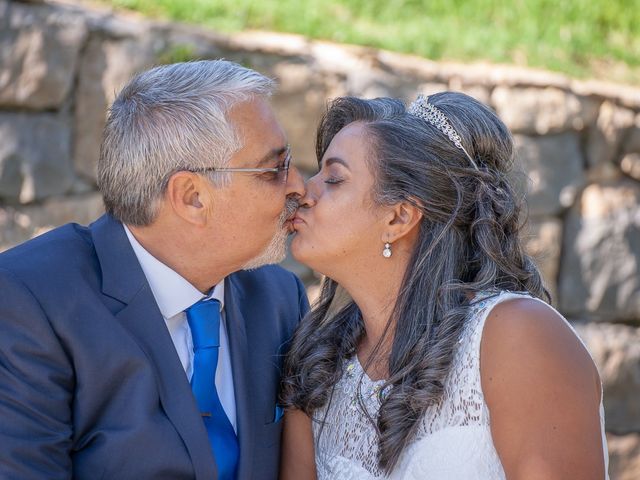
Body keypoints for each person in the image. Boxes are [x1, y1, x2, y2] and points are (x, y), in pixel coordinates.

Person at [0, 60, 309, 479]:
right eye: (274, 169)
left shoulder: (279, 299)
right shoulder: (30, 301)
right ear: (192, 197)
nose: (299, 187)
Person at [280, 92, 609, 479]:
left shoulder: (517, 335)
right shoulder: (318, 367)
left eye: (333, 179)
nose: (303, 190)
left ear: (399, 218)